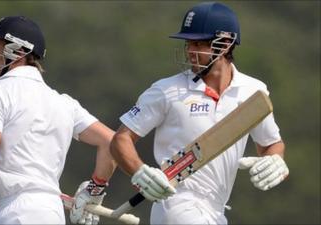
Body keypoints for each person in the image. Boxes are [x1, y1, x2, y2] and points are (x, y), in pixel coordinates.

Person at [110, 2, 289, 224]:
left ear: (224, 45)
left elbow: (271, 143)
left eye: (198, 44)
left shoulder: (254, 92)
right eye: (188, 43)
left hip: (217, 208)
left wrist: (276, 160)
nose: (189, 51)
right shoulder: (166, 90)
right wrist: (140, 172)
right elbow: (121, 139)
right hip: (176, 202)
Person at [0, 16, 116, 225]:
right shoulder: (64, 103)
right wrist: (95, 190)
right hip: (52, 212)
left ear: (18, 52)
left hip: (17, 213)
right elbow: (111, 141)